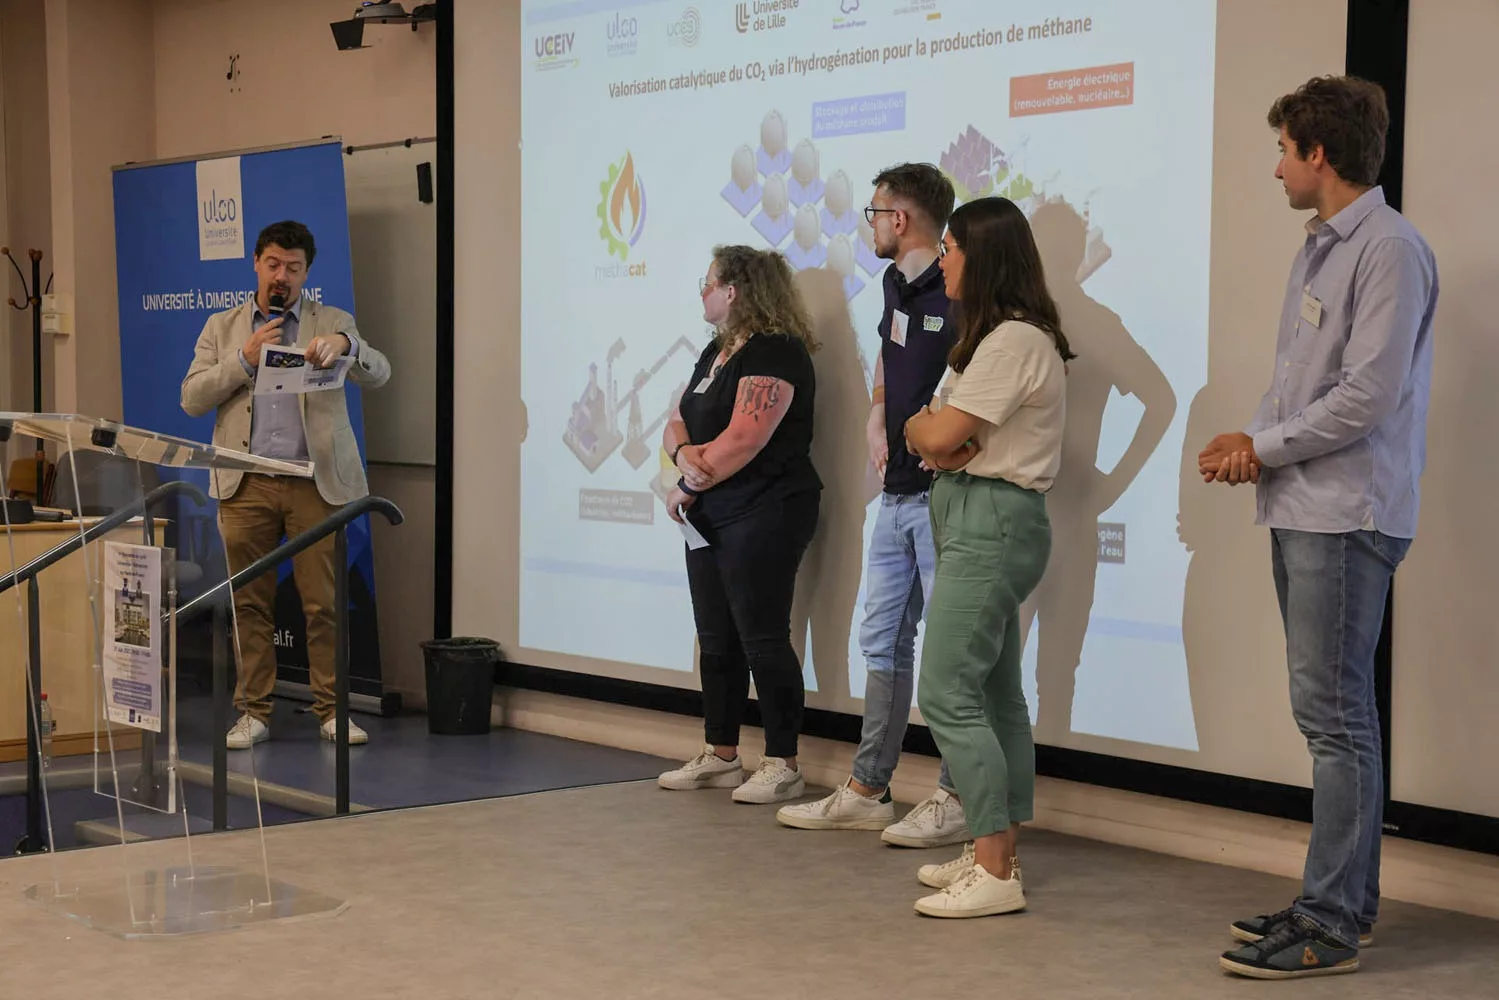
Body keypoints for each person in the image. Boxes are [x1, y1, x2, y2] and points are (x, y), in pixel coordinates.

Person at [1201, 76, 1438, 980]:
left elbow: (1366, 399)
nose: (1274, 170)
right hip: (1306, 508)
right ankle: (1344, 903)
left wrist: (1257, 447)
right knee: (1331, 718)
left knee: (1335, 722)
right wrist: (1250, 449)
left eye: (1282, 153)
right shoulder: (1323, 248)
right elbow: (1307, 383)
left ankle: (1329, 919)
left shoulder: (1389, 249)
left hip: (1345, 515)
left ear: (1319, 156)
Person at [777, 162, 971, 849]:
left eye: (875, 211)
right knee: (882, 637)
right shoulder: (893, 283)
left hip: (947, 496)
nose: (870, 223)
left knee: (952, 653)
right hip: (893, 496)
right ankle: (868, 787)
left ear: (903, 218)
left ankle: (957, 793)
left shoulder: (961, 287)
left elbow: (978, 380)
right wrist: (876, 413)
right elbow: (893, 359)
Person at [902, 196, 1071, 918]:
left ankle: (996, 869)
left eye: (950, 247)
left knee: (944, 690)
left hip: (991, 520)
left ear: (984, 254)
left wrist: (927, 432)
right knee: (995, 692)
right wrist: (927, 430)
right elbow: (931, 429)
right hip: (975, 515)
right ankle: (991, 848)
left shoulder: (1012, 343)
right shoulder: (988, 340)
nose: (941, 259)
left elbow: (940, 440)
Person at [182, 220, 391, 749]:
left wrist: (347, 344)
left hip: (314, 482)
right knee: (249, 603)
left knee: (323, 604)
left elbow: (380, 371)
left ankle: (332, 712)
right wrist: (243, 360)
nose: (282, 276)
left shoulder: (332, 320)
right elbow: (192, 397)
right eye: (273, 265)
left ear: (306, 273)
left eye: (293, 269)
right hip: (246, 481)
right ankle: (253, 711)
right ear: (256, 263)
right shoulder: (223, 326)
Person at [656, 245, 822, 805]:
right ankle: (721, 753)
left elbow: (748, 437)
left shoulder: (776, 352)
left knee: (762, 637)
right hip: (709, 512)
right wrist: (682, 459)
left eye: (708, 282)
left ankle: (783, 761)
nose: (701, 291)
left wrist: (686, 483)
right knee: (715, 638)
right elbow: (676, 418)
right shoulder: (716, 351)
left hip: (765, 509)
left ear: (735, 291)